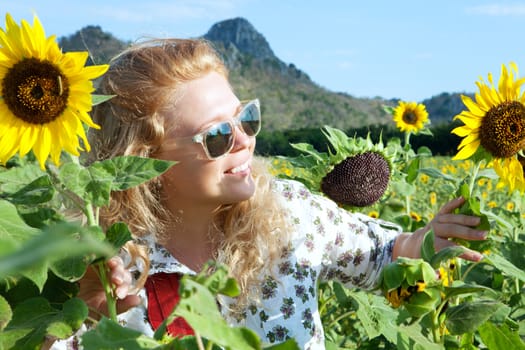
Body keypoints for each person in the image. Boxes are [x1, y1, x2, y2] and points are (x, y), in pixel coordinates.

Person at [66, 38, 486, 350]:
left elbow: (382, 256)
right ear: (144, 162)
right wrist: (85, 316)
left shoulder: (290, 213)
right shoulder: (109, 268)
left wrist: (428, 240)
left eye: (246, 118)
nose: (244, 141)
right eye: (216, 135)